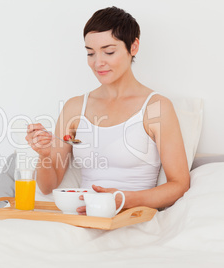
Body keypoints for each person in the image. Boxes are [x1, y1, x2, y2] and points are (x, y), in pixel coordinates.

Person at [25, 6, 190, 215]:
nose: (98, 63)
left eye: (109, 52)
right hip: (82, 219)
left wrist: (122, 199)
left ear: (134, 46)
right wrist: (45, 155)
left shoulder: (156, 107)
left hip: (130, 218)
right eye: (90, 53)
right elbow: (48, 186)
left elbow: (179, 184)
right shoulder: (75, 107)